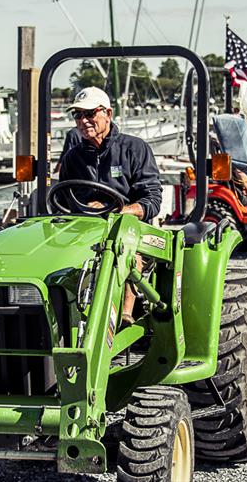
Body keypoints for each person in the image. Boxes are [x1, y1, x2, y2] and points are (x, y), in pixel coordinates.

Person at [60, 86, 162, 326]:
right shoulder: (73, 158)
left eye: (90, 113)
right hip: (85, 229)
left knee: (123, 252)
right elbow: (62, 201)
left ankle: (123, 314)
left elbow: (152, 201)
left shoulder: (134, 149)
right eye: (77, 115)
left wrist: (114, 211)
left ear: (108, 113)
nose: (83, 121)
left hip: (130, 230)